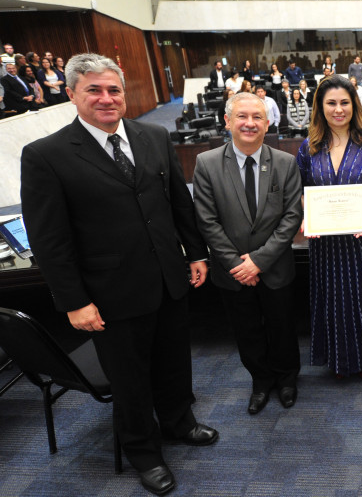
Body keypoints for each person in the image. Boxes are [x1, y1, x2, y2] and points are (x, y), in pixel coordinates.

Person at [20, 53, 218, 495]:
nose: (107, 99)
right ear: (71, 94)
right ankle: (144, 454)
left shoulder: (152, 136)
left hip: (169, 278)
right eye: (94, 90)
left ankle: (179, 424)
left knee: (173, 364)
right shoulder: (45, 156)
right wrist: (73, 301)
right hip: (107, 295)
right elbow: (50, 240)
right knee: (129, 381)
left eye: (114, 90)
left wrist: (196, 254)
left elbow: (176, 204)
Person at [193, 92, 304, 416]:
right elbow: (207, 219)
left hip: (275, 268)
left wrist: (259, 261)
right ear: (227, 121)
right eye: (242, 116)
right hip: (232, 272)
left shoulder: (285, 162)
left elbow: (291, 218)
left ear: (267, 123)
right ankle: (260, 380)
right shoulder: (207, 163)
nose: (250, 123)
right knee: (247, 331)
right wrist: (237, 264)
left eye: (257, 117)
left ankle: (287, 379)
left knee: (283, 327)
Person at [297, 75, 362, 377]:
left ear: (355, 106)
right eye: (331, 103)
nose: (338, 109)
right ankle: (338, 360)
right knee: (333, 300)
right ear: (320, 107)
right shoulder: (308, 148)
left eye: (344, 102)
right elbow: (301, 191)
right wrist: (308, 212)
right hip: (326, 244)